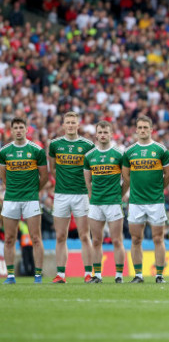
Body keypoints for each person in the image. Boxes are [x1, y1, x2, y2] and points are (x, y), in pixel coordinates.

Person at [123, 116, 169, 283]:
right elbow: (126, 175)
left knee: (158, 238)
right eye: (140, 127)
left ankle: (159, 275)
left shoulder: (160, 150)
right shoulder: (129, 152)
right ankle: (138, 275)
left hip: (156, 201)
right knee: (136, 239)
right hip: (136, 202)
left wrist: (159, 188)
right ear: (136, 130)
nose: (143, 130)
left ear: (151, 129)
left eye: (146, 127)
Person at [48, 112, 95, 283]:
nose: (70, 125)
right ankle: (60, 275)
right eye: (67, 122)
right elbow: (52, 169)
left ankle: (88, 274)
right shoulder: (54, 145)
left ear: (78, 125)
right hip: (61, 194)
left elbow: (91, 170)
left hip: (81, 194)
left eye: (73, 122)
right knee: (61, 236)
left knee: (84, 235)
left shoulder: (88, 145)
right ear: (63, 124)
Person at [0, 118, 48, 284]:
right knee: (9, 238)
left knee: (36, 238)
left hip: (31, 199)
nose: (19, 130)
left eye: (21, 127)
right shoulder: (4, 151)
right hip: (11, 199)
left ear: (27, 129)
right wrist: (13, 189)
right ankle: (11, 275)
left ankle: (38, 275)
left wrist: (34, 190)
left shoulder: (36, 150)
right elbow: (3, 175)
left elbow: (45, 176)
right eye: (16, 128)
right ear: (11, 131)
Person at [83, 121, 128, 283]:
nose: (102, 135)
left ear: (111, 134)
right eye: (100, 132)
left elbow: (127, 179)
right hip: (96, 203)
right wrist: (91, 196)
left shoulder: (119, 155)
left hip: (114, 202)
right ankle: (98, 275)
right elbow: (88, 181)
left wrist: (120, 195)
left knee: (117, 240)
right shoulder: (89, 156)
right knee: (96, 240)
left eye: (105, 132)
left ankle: (119, 276)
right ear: (96, 134)